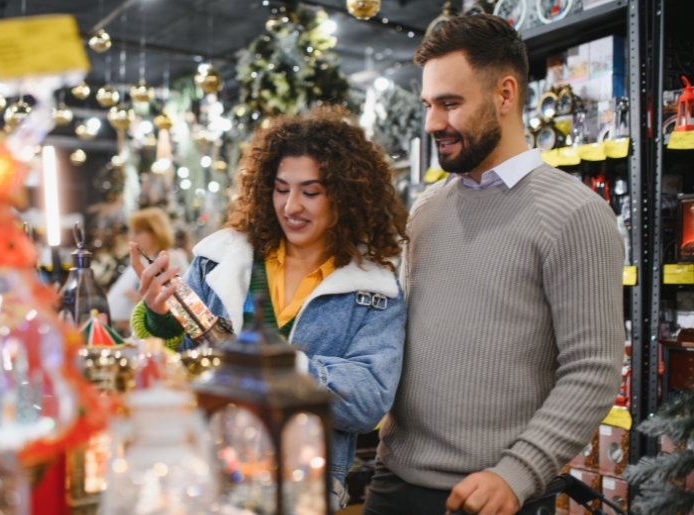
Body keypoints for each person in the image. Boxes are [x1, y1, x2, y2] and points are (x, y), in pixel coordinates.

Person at [362, 14, 625, 515]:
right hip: (392, 482)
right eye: (428, 105)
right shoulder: (427, 208)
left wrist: (518, 472)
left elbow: (592, 370)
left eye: (450, 104)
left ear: (505, 95)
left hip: (495, 496)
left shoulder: (576, 215)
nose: (433, 123)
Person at [129, 106, 409, 508]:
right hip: (205, 470)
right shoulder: (219, 259)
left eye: (311, 192)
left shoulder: (374, 290)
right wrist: (159, 317)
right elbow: (182, 363)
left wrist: (273, 364)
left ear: (346, 196)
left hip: (303, 487)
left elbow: (367, 400)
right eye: (281, 189)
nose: (291, 206)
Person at [107, 207, 188, 334]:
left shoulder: (172, 259)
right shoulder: (142, 261)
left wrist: (144, 300)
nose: (132, 237)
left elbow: (182, 304)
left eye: (138, 232)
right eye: (131, 232)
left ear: (155, 232)